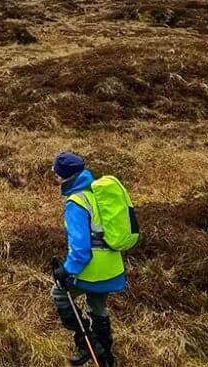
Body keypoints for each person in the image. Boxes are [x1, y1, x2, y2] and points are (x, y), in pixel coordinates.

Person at [51, 152, 124, 367]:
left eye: (55, 173)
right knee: (97, 307)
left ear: (64, 177)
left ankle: (87, 343)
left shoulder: (76, 202)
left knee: (59, 294)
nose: (54, 177)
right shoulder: (97, 193)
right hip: (111, 267)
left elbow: (81, 249)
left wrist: (67, 270)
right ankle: (105, 356)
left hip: (91, 269)